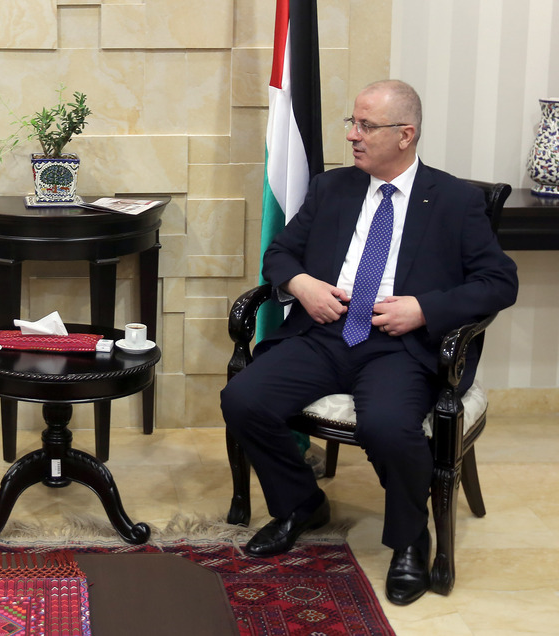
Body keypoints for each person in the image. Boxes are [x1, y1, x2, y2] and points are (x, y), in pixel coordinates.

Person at [220, 80, 518, 605]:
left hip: (399, 345)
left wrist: (423, 308)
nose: (352, 135)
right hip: (325, 332)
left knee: (387, 425)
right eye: (352, 123)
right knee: (243, 398)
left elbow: (499, 282)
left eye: (366, 126)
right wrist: (303, 285)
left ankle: (410, 539)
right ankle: (300, 504)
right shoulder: (332, 188)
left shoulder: (455, 200)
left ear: (405, 134)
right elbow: (280, 253)